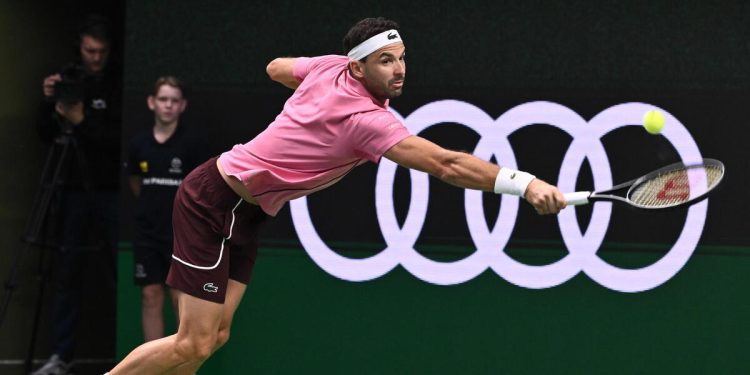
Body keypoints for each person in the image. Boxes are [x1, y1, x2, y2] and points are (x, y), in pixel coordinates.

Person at [108, 17, 566, 374]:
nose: (400, 68)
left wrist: (311, 96)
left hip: (248, 214)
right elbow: (446, 164)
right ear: (358, 66)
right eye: (385, 60)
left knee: (216, 336)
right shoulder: (365, 122)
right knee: (194, 342)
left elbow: (275, 68)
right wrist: (524, 183)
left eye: (402, 57)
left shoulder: (329, 67)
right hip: (213, 201)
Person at [32, 14, 121, 375]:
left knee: (120, 268)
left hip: (107, 190)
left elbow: (116, 142)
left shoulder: (115, 85)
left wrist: (82, 119)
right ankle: (60, 356)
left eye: (100, 51)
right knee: (67, 273)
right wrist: (49, 102)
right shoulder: (68, 79)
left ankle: (131, 353)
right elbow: (42, 133)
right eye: (89, 50)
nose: (94, 58)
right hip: (69, 191)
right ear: (79, 48)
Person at [126, 76, 205, 342]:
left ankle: (181, 368)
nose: (168, 105)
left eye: (174, 100)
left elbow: (201, 188)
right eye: (163, 99)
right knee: (150, 295)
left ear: (182, 105)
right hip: (147, 232)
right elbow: (136, 182)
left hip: (181, 234)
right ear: (152, 103)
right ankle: (153, 368)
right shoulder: (139, 144)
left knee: (178, 297)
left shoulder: (191, 144)